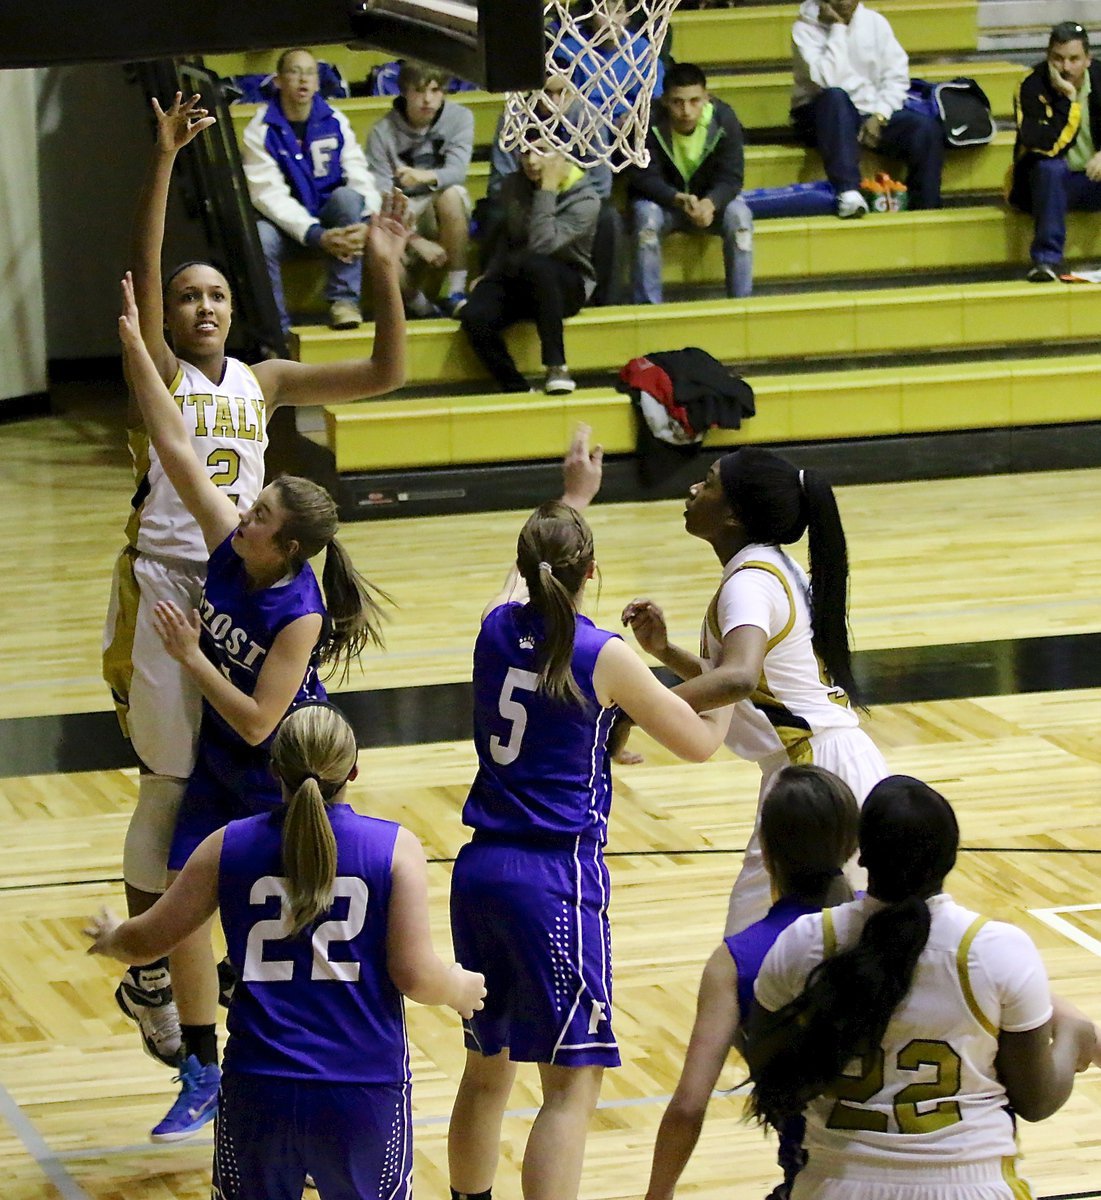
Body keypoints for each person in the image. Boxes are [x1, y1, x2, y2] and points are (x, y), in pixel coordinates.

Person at [102, 92, 409, 1075]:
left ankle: (210, 953)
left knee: (245, 770)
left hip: (243, 581)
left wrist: (389, 275)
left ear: (237, 312)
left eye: (218, 296)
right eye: (190, 296)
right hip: (167, 584)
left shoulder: (262, 383)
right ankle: (156, 970)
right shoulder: (168, 371)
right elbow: (142, 279)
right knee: (172, 779)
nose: (202, 306)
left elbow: (383, 376)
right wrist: (161, 163)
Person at [446, 427, 733, 1200]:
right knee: (570, 1087)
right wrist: (735, 680)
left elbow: (521, 577)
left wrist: (571, 497)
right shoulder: (601, 655)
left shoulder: (492, 623)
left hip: (476, 871)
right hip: (552, 879)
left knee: (485, 1071)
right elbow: (703, 742)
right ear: (592, 572)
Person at [85, 702, 486, 1196]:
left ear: (274, 768)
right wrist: (460, 988)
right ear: (354, 770)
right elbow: (414, 975)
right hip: (361, 1090)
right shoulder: (394, 848)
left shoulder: (225, 845)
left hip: (259, 1087)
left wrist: (111, 939)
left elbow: (147, 942)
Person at [745, 775, 1101, 1200]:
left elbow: (770, 1078)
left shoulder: (805, 941)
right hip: (968, 1186)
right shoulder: (995, 949)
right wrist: (1072, 1037)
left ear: (861, 853)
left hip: (835, 1183)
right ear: (951, 856)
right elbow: (1036, 1101)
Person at [621, 448, 889, 937]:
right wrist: (666, 653)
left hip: (815, 776)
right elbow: (757, 684)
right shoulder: (769, 567)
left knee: (749, 951)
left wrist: (638, 706)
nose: (693, 490)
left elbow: (740, 678)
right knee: (838, 945)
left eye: (708, 483)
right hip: (832, 766)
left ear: (733, 514)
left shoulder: (749, 581)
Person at [643, 765, 859, 1200]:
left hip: (821, 1181)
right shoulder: (898, 929)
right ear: (853, 843)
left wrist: (657, 1195)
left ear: (767, 848)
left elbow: (688, 1107)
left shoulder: (736, 960)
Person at [242, 47, 381, 331]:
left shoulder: (335, 120)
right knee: (260, 236)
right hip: (287, 229)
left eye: (310, 73)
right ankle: (276, 329)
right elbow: (267, 194)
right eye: (294, 72)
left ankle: (344, 302)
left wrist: (368, 223)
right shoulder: (260, 129)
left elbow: (358, 174)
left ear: (318, 82)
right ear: (278, 80)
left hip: (334, 221)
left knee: (348, 199)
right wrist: (316, 235)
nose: (303, 80)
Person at [458, 139, 600, 395]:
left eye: (542, 151)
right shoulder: (514, 184)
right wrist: (489, 275)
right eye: (525, 152)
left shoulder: (586, 199)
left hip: (567, 283)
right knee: (473, 315)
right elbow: (507, 237)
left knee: (538, 265)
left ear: (564, 152)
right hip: (519, 276)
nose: (532, 161)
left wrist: (547, 188)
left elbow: (542, 245)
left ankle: (557, 365)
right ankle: (516, 388)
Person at [791, 0, 944, 217]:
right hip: (820, 114)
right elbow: (828, 80)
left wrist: (880, 115)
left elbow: (896, 78)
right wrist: (838, 29)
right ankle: (848, 192)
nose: (844, 1)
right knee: (835, 98)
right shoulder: (804, 29)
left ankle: (926, 209)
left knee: (925, 129)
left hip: (869, 111)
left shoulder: (875, 23)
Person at [485, 76, 625, 306]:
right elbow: (500, 181)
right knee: (495, 214)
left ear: (575, 93)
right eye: (547, 93)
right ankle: (489, 289)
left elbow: (601, 185)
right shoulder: (514, 116)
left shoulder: (588, 117)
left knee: (609, 218)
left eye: (562, 93)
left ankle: (606, 302)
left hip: (574, 200)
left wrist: (560, 189)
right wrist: (537, 193)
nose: (554, 101)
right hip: (523, 197)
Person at [626, 62, 753, 303]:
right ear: (664, 101)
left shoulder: (724, 119)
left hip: (709, 205)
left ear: (707, 98)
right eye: (677, 102)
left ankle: (742, 304)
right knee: (646, 219)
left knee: (740, 219)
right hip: (664, 204)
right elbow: (641, 175)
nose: (686, 110)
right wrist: (675, 198)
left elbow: (732, 177)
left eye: (694, 101)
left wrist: (711, 203)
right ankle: (648, 308)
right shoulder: (647, 121)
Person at [366, 59, 475, 317]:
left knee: (451, 194)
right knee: (380, 240)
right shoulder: (381, 132)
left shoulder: (460, 118)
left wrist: (423, 176)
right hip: (401, 208)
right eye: (419, 90)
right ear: (404, 91)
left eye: (435, 90)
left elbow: (457, 171)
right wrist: (413, 240)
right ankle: (419, 305)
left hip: (439, 203)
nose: (427, 99)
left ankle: (455, 291)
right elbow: (380, 194)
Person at [1010, 22, 1101, 283]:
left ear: (1088, 59)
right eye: (1058, 59)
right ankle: (1046, 261)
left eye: (1074, 59)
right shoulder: (1030, 87)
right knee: (1051, 168)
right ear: (1048, 57)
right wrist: (1068, 100)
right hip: (1041, 186)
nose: (1066, 67)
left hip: (1092, 180)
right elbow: (1043, 146)